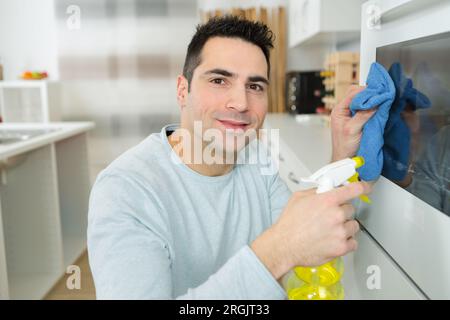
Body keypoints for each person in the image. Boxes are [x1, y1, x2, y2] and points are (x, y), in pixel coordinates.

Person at [87, 16, 374, 299]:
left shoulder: (254, 158)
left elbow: (308, 235)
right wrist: (278, 250)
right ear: (182, 90)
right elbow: (287, 243)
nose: (240, 103)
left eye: (255, 86)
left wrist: (342, 153)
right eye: (219, 80)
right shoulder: (125, 189)